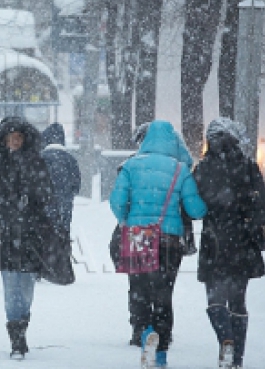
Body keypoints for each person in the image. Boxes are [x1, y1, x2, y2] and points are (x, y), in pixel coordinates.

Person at [109, 120, 207, 368]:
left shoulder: (131, 165)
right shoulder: (180, 169)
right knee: (164, 293)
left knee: (140, 289)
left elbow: (117, 201)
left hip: (138, 235)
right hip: (169, 239)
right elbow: (195, 209)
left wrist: (126, 220)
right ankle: (161, 351)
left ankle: (144, 334)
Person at [193, 117, 265, 369]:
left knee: (215, 299)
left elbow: (193, 205)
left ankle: (225, 339)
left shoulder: (203, 169)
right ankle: (236, 359)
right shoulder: (248, 166)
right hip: (243, 241)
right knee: (238, 300)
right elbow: (263, 202)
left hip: (214, 240)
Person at [0, 116, 55, 358]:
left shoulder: (37, 163)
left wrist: (30, 199)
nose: (14, 142)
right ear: (4, 140)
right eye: (10, 138)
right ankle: (16, 337)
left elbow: (47, 195)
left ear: (25, 140)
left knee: (25, 287)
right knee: (10, 285)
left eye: (18, 138)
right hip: (5, 233)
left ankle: (21, 326)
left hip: (29, 233)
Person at [40, 123, 81, 235]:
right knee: (62, 234)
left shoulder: (40, 158)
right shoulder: (70, 159)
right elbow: (76, 186)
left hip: (43, 207)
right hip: (64, 206)